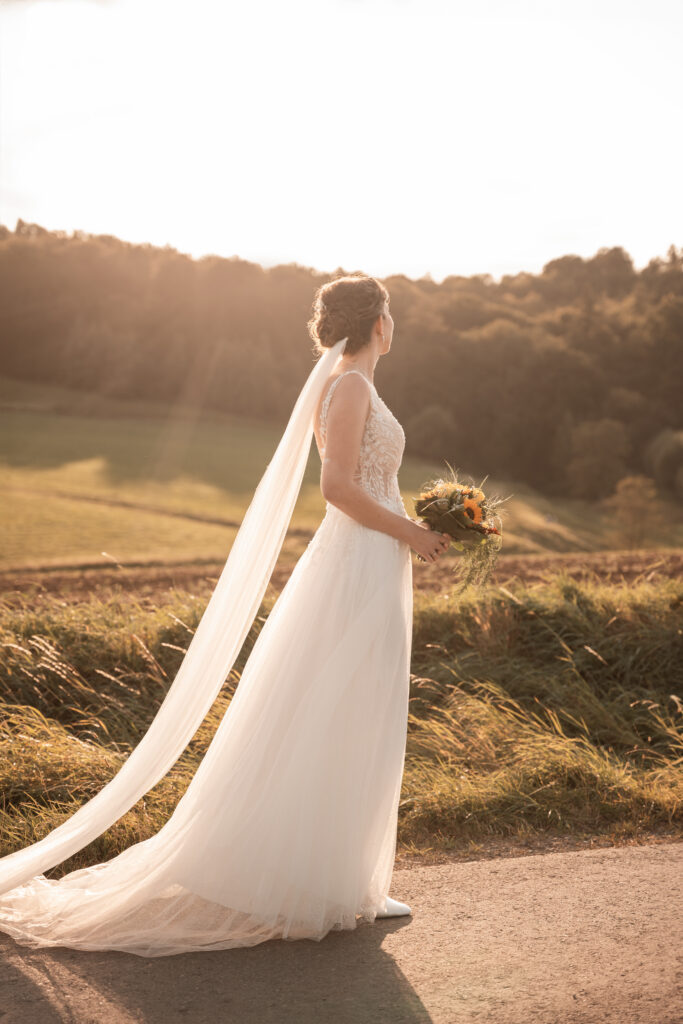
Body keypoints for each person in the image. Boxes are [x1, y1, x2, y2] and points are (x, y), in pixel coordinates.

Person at [0, 273, 450, 957]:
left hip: (374, 557)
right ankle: (323, 883)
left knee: (359, 709)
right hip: (357, 563)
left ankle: (350, 880)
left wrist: (418, 526)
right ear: (377, 322)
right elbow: (336, 489)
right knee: (342, 708)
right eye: (390, 312)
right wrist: (412, 533)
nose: (395, 323)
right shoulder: (352, 387)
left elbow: (369, 482)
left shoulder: (354, 385)